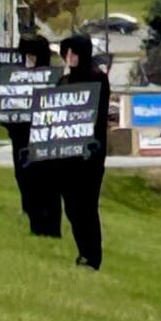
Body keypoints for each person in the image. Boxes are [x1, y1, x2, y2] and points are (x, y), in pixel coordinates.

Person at [54, 34, 110, 269]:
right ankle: (81, 251)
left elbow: (98, 114)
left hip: (90, 156)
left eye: (74, 53)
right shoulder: (63, 82)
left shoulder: (98, 79)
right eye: (66, 53)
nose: (70, 58)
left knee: (87, 206)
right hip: (67, 156)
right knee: (72, 206)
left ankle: (92, 255)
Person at [9, 35, 61, 237]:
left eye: (31, 55)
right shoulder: (16, 78)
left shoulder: (53, 80)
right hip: (21, 137)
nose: (28, 59)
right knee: (24, 178)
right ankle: (34, 220)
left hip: (45, 140)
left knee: (47, 184)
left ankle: (49, 226)